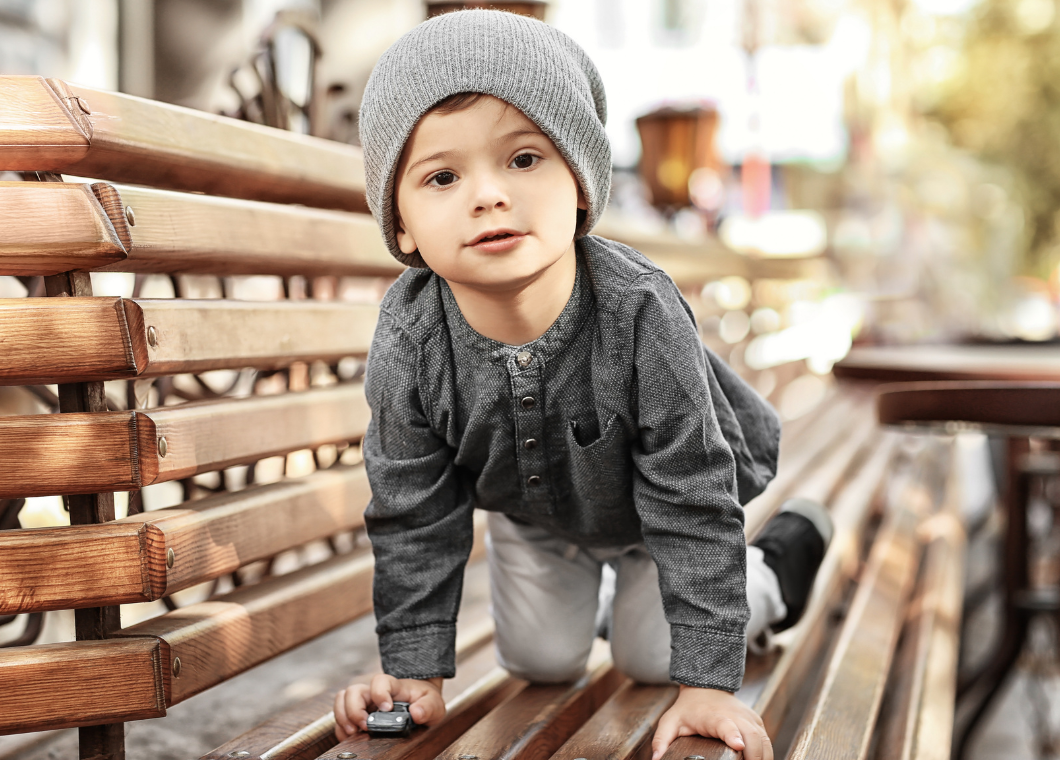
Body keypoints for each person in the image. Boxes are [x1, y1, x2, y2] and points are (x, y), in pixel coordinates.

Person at [333, 11, 832, 760]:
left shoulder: (638, 311)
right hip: (534, 516)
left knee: (652, 658)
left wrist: (708, 682)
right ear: (400, 225)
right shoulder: (410, 340)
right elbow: (413, 510)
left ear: (581, 181)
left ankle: (770, 570)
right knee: (539, 661)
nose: (488, 196)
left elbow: (692, 489)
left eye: (525, 159)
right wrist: (414, 670)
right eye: (442, 176)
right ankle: (614, 602)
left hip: (657, 510)